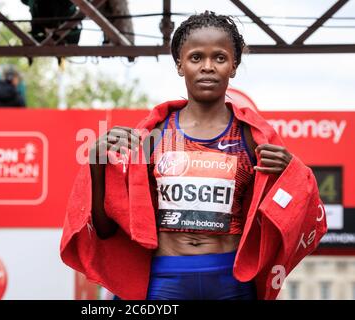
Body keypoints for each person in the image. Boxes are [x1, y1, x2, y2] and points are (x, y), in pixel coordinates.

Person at [60, 11, 327, 300]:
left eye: (220, 58)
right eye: (196, 57)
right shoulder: (155, 134)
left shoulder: (252, 135)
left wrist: (294, 172)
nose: (208, 67)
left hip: (230, 279)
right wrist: (96, 166)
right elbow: (107, 228)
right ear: (180, 64)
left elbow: (298, 207)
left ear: (233, 66)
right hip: (165, 278)